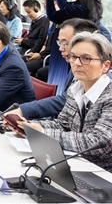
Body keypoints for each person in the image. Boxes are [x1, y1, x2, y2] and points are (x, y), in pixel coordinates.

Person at [20, 32, 112, 172]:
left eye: (86, 58)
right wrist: (29, 127)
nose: (77, 63)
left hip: (102, 174)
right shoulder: (76, 86)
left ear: (105, 66)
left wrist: (44, 132)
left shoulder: (109, 96)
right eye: (73, 57)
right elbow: (63, 124)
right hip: (74, 165)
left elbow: (99, 143)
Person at [5, 18, 99, 121]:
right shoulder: (75, 68)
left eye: (65, 43)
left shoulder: (97, 79)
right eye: (59, 42)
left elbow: (64, 102)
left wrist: (24, 111)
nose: (60, 48)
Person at [43, 0, 106, 95]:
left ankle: (58, 100)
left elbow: (53, 16)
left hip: (69, 46)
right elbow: (67, 8)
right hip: (69, 45)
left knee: (61, 81)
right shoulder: (85, 6)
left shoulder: (80, 8)